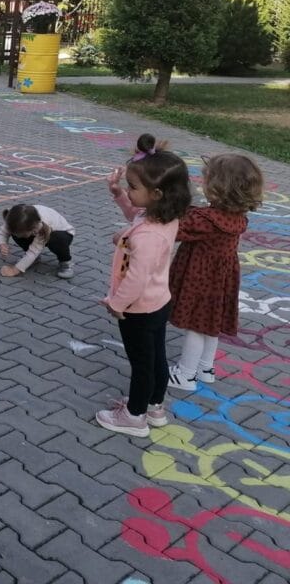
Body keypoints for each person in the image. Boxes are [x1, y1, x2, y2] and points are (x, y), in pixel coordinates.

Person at [97, 134, 191, 438]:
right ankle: (154, 406)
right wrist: (118, 194)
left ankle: (134, 416)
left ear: (157, 193)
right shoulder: (161, 217)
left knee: (142, 364)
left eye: (133, 187)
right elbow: (134, 216)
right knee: (156, 358)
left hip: (137, 308)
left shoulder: (148, 235)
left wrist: (117, 304)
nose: (129, 190)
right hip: (158, 302)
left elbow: (136, 277)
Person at [167, 153, 264, 391]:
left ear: (219, 187)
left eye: (207, 179)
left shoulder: (206, 219)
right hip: (221, 280)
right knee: (211, 324)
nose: (203, 183)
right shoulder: (237, 217)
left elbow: (175, 229)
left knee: (196, 325)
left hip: (200, 279)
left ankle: (186, 375)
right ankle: (205, 367)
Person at [0, 204, 75, 279]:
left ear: (32, 229)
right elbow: (3, 232)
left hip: (63, 234)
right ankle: (34, 260)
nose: (17, 236)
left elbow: (33, 251)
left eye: (22, 234)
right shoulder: (14, 218)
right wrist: (2, 244)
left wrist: (15, 270)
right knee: (17, 234)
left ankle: (66, 264)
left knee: (57, 239)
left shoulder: (41, 227)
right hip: (34, 230)